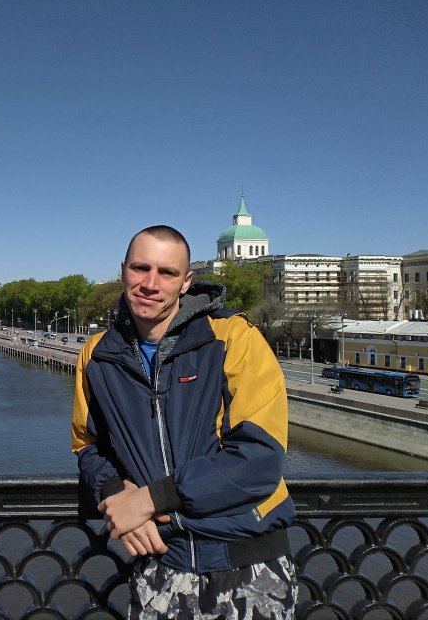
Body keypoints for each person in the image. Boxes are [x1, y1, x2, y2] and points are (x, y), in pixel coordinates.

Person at [71, 225, 297, 619]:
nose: (150, 284)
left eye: (167, 272)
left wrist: (147, 500)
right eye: (140, 268)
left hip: (248, 567)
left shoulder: (233, 338)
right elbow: (87, 445)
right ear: (123, 270)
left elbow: (260, 459)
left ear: (186, 282)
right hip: (161, 566)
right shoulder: (97, 354)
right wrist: (113, 492)